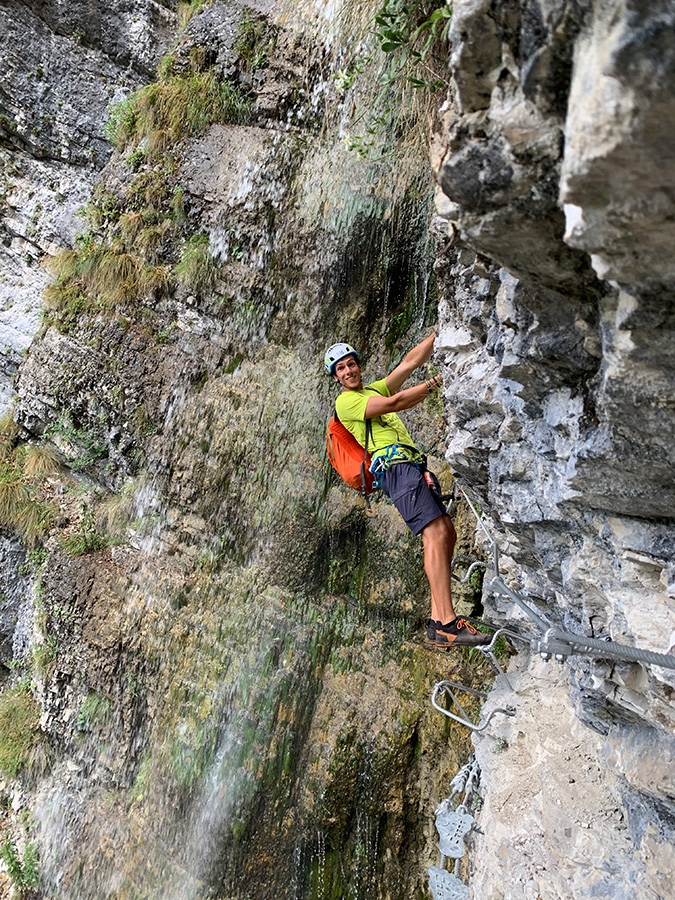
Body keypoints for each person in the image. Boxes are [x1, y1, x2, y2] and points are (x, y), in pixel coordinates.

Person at [324, 335, 490, 648]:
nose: (348, 371)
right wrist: (437, 382)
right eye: (341, 369)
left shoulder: (371, 389)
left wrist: (437, 336)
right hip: (395, 468)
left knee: (447, 533)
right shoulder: (346, 402)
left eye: (351, 364)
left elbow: (409, 363)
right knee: (436, 534)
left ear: (358, 365)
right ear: (336, 377)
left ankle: (438, 618)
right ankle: (448, 624)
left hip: (410, 465)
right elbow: (394, 403)